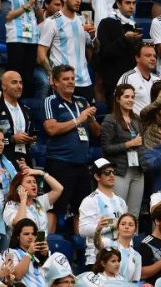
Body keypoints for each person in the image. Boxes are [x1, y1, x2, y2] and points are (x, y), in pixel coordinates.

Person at [42, 65, 101, 225]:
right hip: (60, 163)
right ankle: (47, 241)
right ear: (55, 82)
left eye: (73, 78)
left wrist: (91, 119)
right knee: (53, 208)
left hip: (81, 164)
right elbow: (51, 128)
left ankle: (81, 242)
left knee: (81, 210)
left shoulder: (82, 101)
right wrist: (79, 119)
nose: (71, 82)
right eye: (66, 79)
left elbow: (97, 132)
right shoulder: (51, 101)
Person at [100, 85, 145, 217]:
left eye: (132, 97)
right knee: (118, 211)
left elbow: (141, 144)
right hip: (120, 171)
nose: (130, 100)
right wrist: (129, 144)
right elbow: (106, 148)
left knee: (134, 213)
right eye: (126, 96)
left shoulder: (137, 119)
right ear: (118, 99)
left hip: (138, 169)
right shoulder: (110, 119)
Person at [0, 71, 36, 164]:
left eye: (20, 83)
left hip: (24, 159)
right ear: (4, 86)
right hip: (1, 160)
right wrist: (11, 139)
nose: (19, 86)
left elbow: (32, 133)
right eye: (14, 82)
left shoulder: (27, 110)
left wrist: (31, 139)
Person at [118, 43, 161, 115]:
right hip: (135, 121)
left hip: (155, 121)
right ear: (137, 58)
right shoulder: (128, 78)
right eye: (148, 55)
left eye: (154, 56)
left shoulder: (157, 79)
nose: (153, 59)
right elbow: (119, 104)